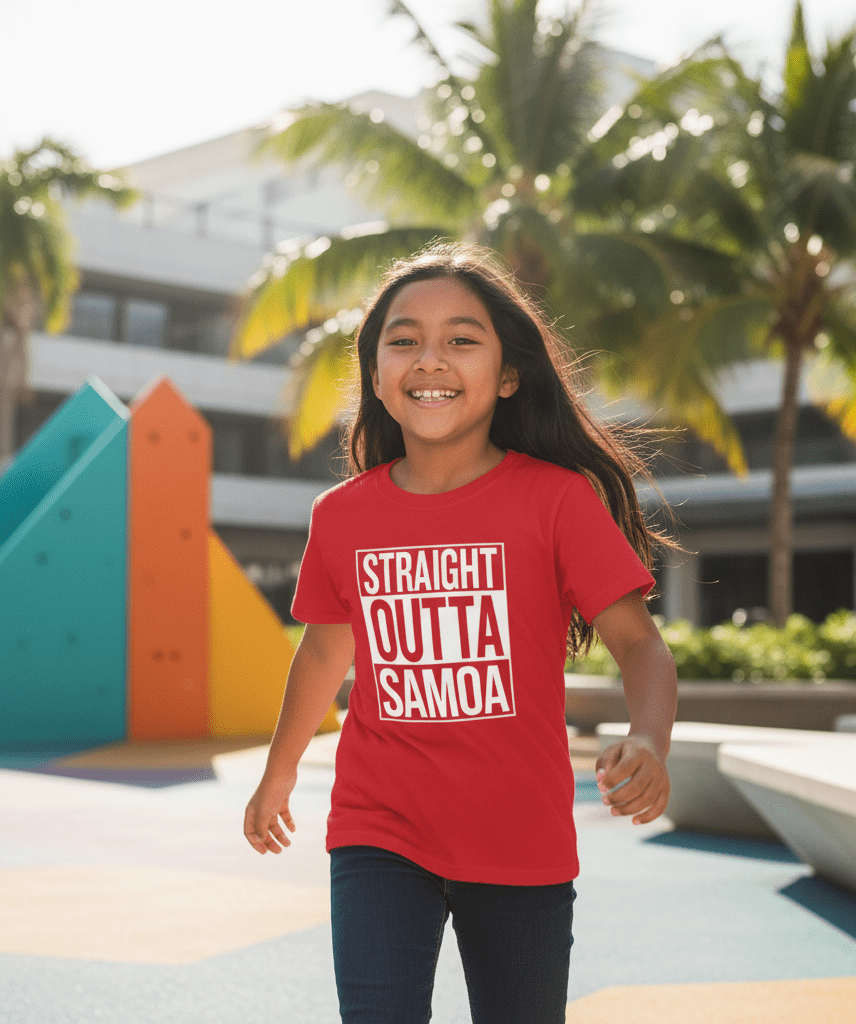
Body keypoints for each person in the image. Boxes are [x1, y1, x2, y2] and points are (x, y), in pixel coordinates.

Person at [243, 242, 679, 1024]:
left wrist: (648, 738)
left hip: (522, 841)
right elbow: (323, 651)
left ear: (508, 375)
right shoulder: (340, 517)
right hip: (378, 831)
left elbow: (640, 644)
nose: (429, 359)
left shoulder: (557, 501)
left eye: (462, 340)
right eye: (403, 340)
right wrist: (279, 771)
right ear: (376, 375)